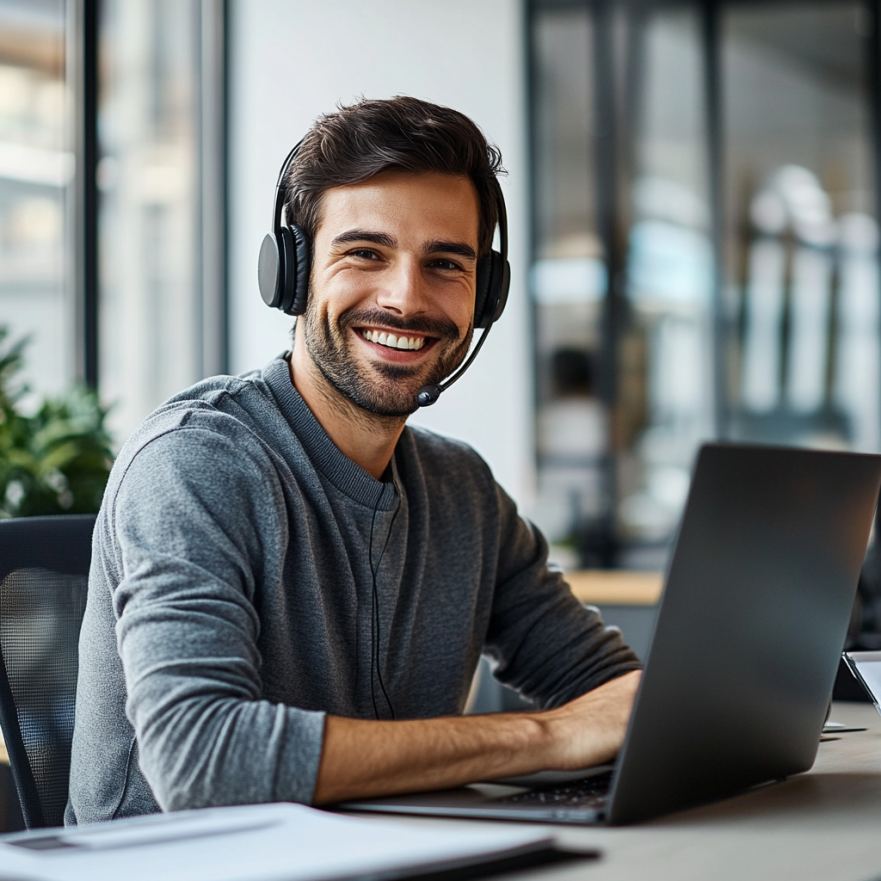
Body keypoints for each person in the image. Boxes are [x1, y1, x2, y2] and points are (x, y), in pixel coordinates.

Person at [66, 97, 641, 825]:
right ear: (293, 272)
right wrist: (544, 737)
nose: (405, 297)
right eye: (365, 252)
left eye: (445, 264)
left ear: (484, 296)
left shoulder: (461, 491)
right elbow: (201, 761)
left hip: (387, 856)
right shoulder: (193, 462)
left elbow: (612, 697)